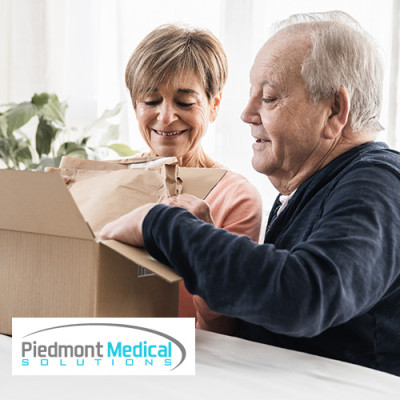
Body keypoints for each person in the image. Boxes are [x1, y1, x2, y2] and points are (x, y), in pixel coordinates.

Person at [100, 11, 400, 376]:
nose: (246, 114)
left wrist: (161, 223)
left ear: (335, 110)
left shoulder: (378, 182)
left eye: (270, 98)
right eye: (251, 95)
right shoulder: (307, 191)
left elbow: (305, 296)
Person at [124, 24, 262, 322]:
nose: (166, 116)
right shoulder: (116, 181)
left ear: (214, 106)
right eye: (150, 101)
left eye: (185, 102)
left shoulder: (235, 197)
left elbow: (224, 327)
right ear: (135, 106)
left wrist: (203, 245)